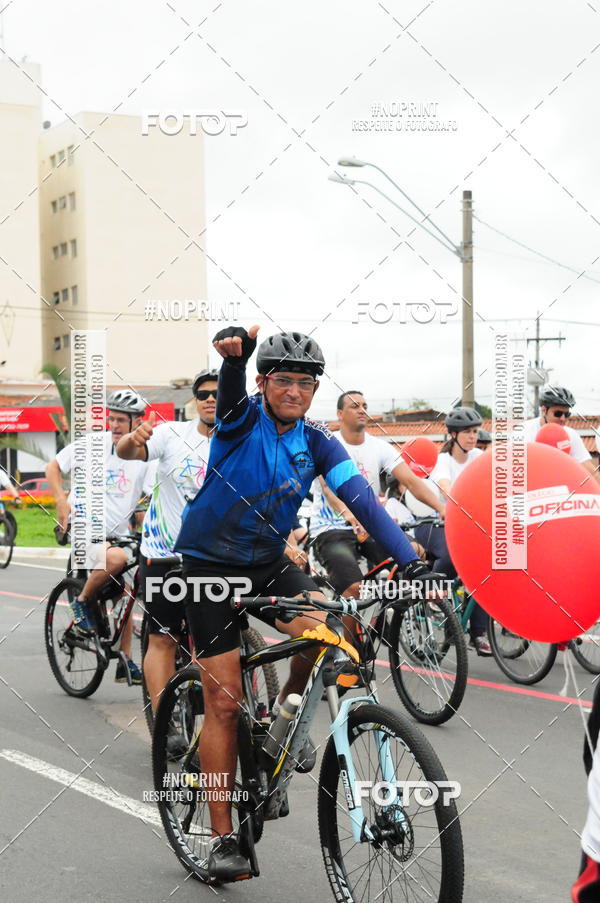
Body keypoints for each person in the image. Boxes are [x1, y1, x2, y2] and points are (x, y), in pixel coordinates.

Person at [173, 325, 442, 883]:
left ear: (315, 390)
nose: (294, 390)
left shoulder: (319, 442)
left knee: (334, 627)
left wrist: (411, 562)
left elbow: (363, 502)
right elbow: (227, 399)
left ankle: (283, 729)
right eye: (283, 380)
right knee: (222, 703)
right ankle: (225, 837)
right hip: (207, 568)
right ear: (263, 382)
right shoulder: (241, 418)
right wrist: (231, 362)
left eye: (305, 382)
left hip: (268, 560)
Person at [116, 369, 217, 711]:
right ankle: (163, 721)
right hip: (164, 556)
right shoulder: (172, 433)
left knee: (219, 641)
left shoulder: (244, 440)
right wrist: (134, 438)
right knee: (163, 637)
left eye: (219, 393)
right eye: (202, 394)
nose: (210, 399)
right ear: (194, 400)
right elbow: (127, 451)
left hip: (217, 558)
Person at [45, 390, 149, 684]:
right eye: (111, 418)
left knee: (129, 589)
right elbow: (52, 466)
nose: (114, 425)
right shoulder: (92, 444)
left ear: (138, 422)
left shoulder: (144, 454)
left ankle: (125, 661)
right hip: (83, 530)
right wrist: (59, 501)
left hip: (115, 533)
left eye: (121, 420)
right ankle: (82, 601)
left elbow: (145, 500)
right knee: (116, 558)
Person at [308, 389, 442, 600]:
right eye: (355, 406)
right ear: (340, 414)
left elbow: (411, 481)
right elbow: (327, 489)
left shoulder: (380, 447)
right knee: (354, 589)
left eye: (365, 406)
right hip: (332, 528)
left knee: (415, 552)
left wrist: (443, 509)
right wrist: (350, 515)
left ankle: (394, 620)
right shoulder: (327, 442)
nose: (362, 410)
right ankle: (350, 634)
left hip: (370, 525)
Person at [409, 406, 493, 656]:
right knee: (449, 556)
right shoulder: (442, 461)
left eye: (476, 431)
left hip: (469, 527)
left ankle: (478, 634)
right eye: (467, 432)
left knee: (484, 570)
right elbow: (444, 486)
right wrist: (459, 501)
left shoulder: (480, 457)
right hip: (434, 524)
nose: (473, 436)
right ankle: (431, 594)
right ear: (454, 435)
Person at [526, 386, 599, 484]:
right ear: (544, 411)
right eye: (558, 413)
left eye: (567, 414)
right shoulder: (525, 432)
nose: (563, 419)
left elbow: (591, 473)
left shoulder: (571, 435)